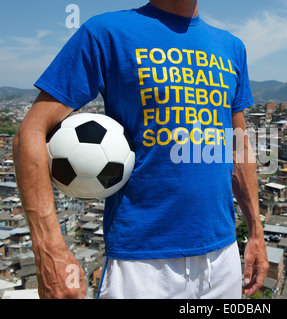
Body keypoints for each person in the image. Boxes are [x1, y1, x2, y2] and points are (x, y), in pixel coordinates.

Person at [13, 0, 268, 299]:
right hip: (141, 263)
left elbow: (238, 147)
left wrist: (256, 231)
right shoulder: (105, 32)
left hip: (222, 257)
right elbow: (30, 132)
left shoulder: (232, 46)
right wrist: (48, 248)